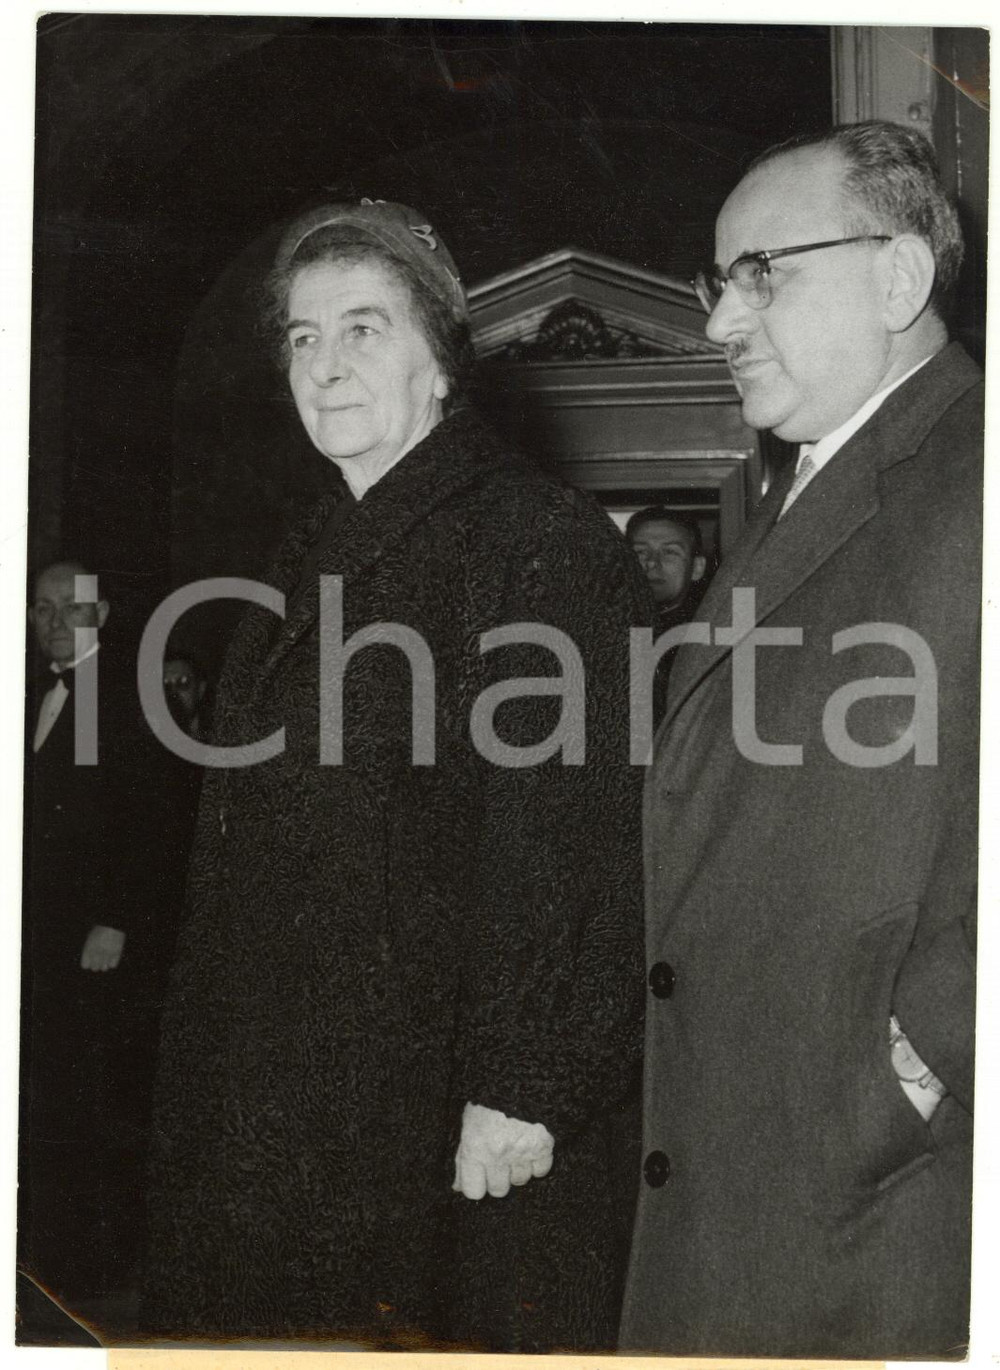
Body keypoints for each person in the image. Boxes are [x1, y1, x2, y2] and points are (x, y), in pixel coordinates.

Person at [143, 199, 648, 1351]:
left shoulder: (536, 537)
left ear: (440, 362)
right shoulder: (305, 548)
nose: (324, 367)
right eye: (303, 339)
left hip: (431, 1110)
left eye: (363, 329)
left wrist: (523, 1082)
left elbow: (567, 831)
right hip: (278, 1092)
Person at [620, 122, 980, 1359]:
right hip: (768, 1169)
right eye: (716, 283)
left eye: (764, 272)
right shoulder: (818, 480)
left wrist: (918, 1066)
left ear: (897, 277)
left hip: (874, 1196)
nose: (720, 321)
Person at [19, 561, 186, 1324]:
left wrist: (117, 919)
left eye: (70, 607)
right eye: (41, 607)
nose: (54, 619)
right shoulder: (30, 693)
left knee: (89, 1098)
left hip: (96, 941)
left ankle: (90, 1265)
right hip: (36, 934)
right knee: (43, 1093)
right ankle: (46, 1254)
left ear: (104, 614)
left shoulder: (130, 695)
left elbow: (156, 821)